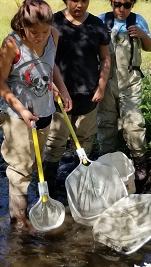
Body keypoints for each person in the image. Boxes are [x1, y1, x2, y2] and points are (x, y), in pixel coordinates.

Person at [0, 0, 72, 231]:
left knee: (34, 160)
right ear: (22, 26)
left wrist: (63, 90)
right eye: (33, 31)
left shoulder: (54, 35)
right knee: (20, 166)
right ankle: (19, 219)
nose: (40, 36)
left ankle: (30, 206)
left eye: (44, 31)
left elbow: (51, 66)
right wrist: (22, 109)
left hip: (44, 109)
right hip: (16, 113)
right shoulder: (12, 44)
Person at [43, 0, 111, 197]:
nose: (80, 5)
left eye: (84, 0)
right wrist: (53, 87)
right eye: (75, 0)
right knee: (55, 142)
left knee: (84, 141)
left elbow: (106, 58)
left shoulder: (97, 25)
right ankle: (48, 189)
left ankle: (79, 186)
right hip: (58, 97)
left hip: (89, 96)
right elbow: (45, 58)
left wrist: (101, 86)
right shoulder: (54, 22)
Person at [97, 0, 151, 194]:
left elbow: (150, 47)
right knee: (106, 123)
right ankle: (106, 161)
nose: (121, 9)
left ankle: (139, 161)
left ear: (133, 4)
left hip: (130, 82)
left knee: (134, 123)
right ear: (111, 3)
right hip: (106, 82)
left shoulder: (138, 21)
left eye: (127, 4)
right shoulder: (100, 21)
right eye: (117, 4)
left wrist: (142, 35)